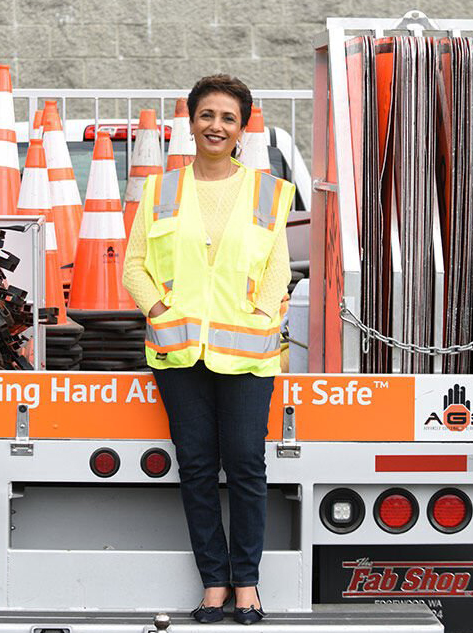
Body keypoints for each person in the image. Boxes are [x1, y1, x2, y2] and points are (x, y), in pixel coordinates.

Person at [122, 74, 294, 624]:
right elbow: (134, 266)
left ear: (242, 128)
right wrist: (158, 311)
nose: (215, 126)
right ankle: (213, 583)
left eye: (228, 118)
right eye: (206, 115)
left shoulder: (269, 191)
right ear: (190, 121)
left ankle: (248, 583)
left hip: (247, 356)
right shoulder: (160, 190)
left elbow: (278, 271)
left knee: (245, 466)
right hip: (178, 356)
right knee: (196, 469)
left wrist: (264, 316)